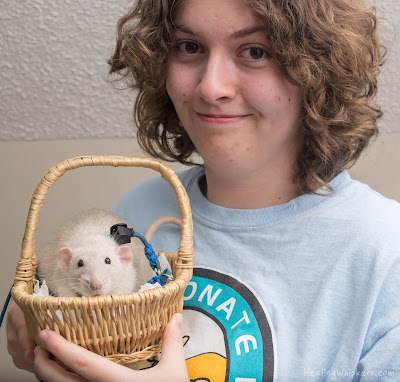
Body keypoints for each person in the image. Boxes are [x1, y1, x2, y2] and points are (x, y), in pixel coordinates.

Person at [7, 0, 400, 380]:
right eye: (189, 47)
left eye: (255, 51)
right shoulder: (134, 213)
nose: (211, 88)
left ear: (318, 68)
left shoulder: (385, 251)